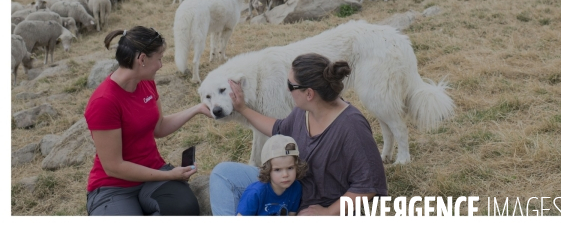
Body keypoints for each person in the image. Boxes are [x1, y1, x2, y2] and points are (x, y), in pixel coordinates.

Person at [210, 52, 388, 216]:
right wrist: (242, 109)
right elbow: (279, 129)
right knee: (222, 173)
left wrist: (327, 212)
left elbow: (368, 185)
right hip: (287, 185)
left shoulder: (352, 126)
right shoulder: (304, 111)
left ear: (309, 93)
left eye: (290, 85)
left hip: (316, 207)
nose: (287, 90)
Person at [84, 26, 213, 216]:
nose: (161, 65)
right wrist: (169, 175)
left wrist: (198, 109)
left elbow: (159, 127)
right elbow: (114, 167)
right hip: (114, 186)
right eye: (159, 59)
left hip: (152, 174)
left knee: (185, 210)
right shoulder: (104, 102)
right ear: (142, 59)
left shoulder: (146, 82)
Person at [236, 134, 307, 216]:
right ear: (268, 170)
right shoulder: (255, 193)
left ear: (297, 166)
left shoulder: (296, 188)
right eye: (277, 170)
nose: (285, 175)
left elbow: (291, 214)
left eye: (290, 168)